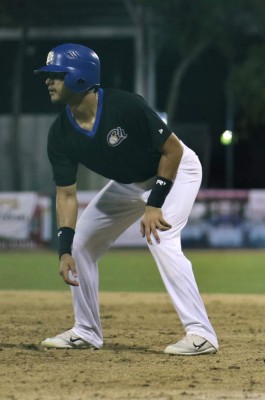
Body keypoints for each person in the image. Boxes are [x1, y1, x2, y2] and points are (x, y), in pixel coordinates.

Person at [35, 43, 218, 355]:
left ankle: (202, 334)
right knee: (81, 245)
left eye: (56, 74)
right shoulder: (60, 134)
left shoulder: (124, 105)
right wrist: (64, 250)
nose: (48, 81)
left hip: (176, 170)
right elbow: (66, 194)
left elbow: (173, 150)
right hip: (128, 184)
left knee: (161, 237)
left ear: (80, 76)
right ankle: (86, 330)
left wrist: (154, 203)